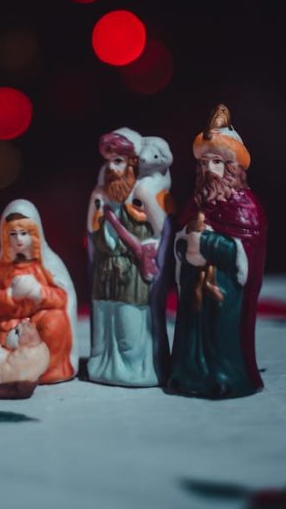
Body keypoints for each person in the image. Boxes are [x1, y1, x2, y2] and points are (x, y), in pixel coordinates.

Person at [167, 104, 267, 399]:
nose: (208, 169)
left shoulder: (246, 207)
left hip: (226, 288)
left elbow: (247, 248)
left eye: (216, 162)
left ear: (232, 167)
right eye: (203, 162)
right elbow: (181, 236)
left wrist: (209, 245)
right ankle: (188, 374)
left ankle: (225, 376)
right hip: (195, 283)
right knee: (192, 329)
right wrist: (186, 245)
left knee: (221, 331)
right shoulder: (197, 202)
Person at [86, 127, 173, 387]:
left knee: (131, 332)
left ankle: (138, 368)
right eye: (109, 161)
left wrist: (150, 249)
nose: (112, 167)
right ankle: (104, 365)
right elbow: (91, 231)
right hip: (105, 272)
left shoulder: (144, 193)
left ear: (133, 162)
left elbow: (164, 231)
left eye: (119, 161)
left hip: (134, 276)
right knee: (104, 328)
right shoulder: (100, 193)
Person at [0, 198, 77, 383]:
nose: (18, 240)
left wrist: (39, 293)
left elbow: (63, 298)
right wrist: (11, 296)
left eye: (24, 233)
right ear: (5, 236)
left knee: (56, 321)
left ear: (34, 234)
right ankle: (18, 373)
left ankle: (48, 369)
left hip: (39, 320)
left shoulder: (48, 265)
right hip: (11, 323)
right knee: (5, 339)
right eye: (13, 234)